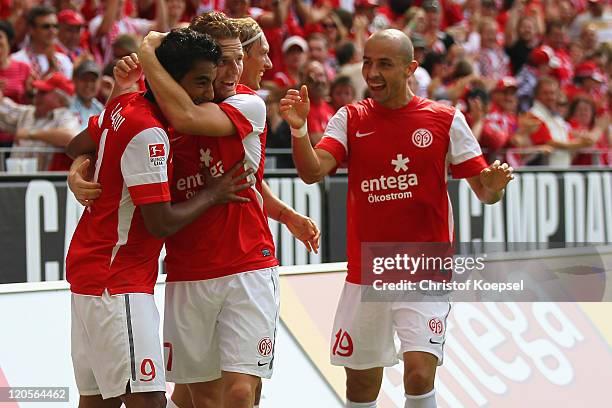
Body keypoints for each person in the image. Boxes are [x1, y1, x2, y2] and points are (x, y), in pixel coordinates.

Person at [280, 29, 513, 408]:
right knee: (360, 387)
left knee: (420, 373)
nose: (372, 72)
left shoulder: (445, 120)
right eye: (368, 62)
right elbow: (312, 171)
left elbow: (486, 194)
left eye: (384, 64)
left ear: (410, 68)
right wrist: (299, 128)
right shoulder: (350, 118)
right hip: (366, 273)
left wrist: (494, 184)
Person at [123, 13, 320, 408]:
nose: (236, 70)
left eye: (238, 59)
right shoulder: (162, 109)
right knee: (199, 396)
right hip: (187, 270)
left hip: (246, 264)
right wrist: (78, 170)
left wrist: (147, 54)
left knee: (240, 390)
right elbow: (103, 139)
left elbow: (197, 127)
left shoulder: (248, 103)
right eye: (225, 61)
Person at [65, 28, 253, 408]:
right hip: (117, 281)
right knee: (149, 400)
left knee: (98, 401)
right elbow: (160, 223)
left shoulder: (124, 105)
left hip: (92, 275)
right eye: (200, 82)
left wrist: (82, 168)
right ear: (168, 78)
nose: (207, 92)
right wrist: (212, 194)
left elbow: (76, 146)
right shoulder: (150, 133)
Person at [0, 72, 80, 170]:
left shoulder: (65, 116)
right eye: (37, 91)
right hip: (16, 180)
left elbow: (70, 137)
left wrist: (31, 134)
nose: (36, 95)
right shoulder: (28, 112)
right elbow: (4, 109)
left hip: (45, 182)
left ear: (60, 99)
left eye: (43, 92)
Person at [11, 6, 73, 79]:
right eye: (46, 27)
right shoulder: (16, 60)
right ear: (31, 29)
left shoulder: (64, 60)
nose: (52, 31)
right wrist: (50, 71)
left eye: (55, 26)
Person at [0, 20, 32, 148]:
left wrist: (32, 92)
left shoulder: (23, 68)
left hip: (17, 137)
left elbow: (31, 101)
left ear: (9, 42)